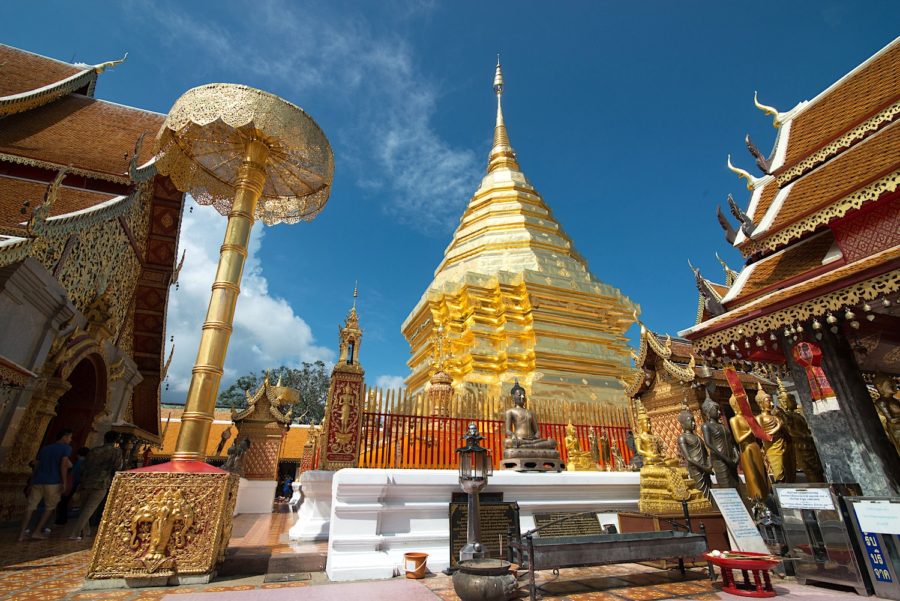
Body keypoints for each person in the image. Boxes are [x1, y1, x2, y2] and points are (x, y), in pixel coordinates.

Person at [67, 431, 123, 540]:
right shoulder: (116, 452)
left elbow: (84, 466)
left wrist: (81, 481)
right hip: (101, 483)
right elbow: (118, 467)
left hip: (86, 481)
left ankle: (86, 531)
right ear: (116, 440)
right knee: (89, 509)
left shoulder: (94, 450)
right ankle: (75, 533)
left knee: (84, 508)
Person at [19, 429, 73, 541]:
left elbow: (37, 465)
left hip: (38, 480)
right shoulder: (66, 448)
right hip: (53, 481)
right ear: (65, 437)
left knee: (31, 506)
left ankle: (22, 533)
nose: (70, 440)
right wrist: (64, 482)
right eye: (70, 437)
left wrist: (32, 482)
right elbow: (63, 465)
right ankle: (37, 531)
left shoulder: (45, 449)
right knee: (50, 507)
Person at [55, 446, 89, 525]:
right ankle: (62, 519)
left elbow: (73, 474)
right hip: (77, 484)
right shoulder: (86, 463)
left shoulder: (79, 463)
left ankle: (61, 519)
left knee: (63, 502)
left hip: (72, 484)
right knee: (66, 502)